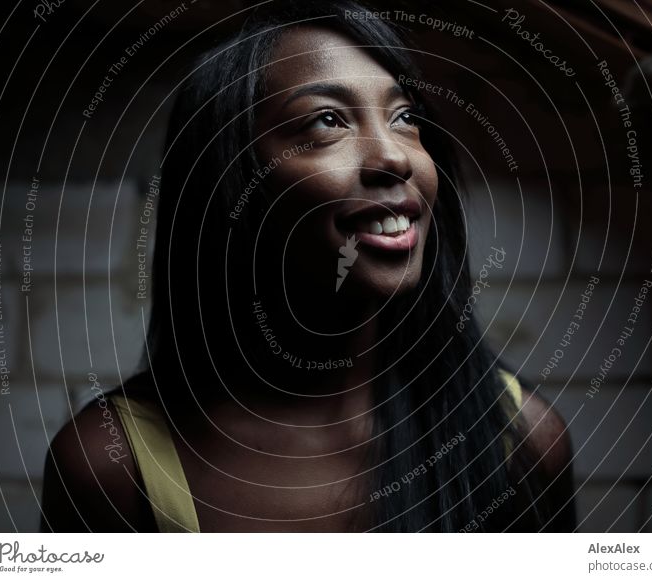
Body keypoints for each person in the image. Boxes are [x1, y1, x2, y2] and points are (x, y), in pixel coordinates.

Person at [41, 0, 575, 532]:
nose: (395, 158)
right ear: (232, 185)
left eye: (405, 117)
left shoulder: (520, 443)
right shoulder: (108, 467)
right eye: (327, 121)